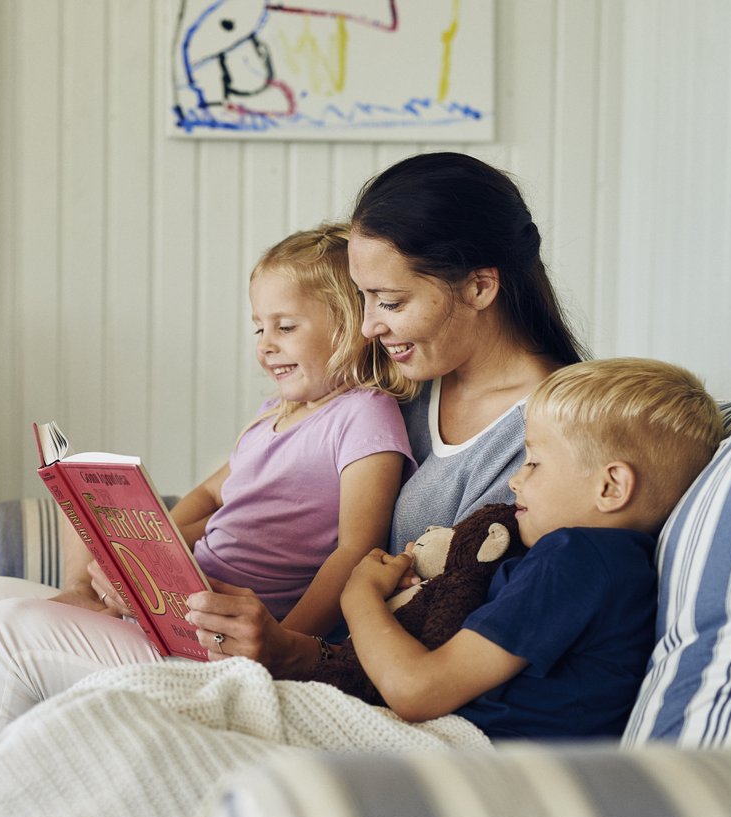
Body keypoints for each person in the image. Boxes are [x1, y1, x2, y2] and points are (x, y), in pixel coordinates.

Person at [0, 223, 415, 817]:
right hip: (173, 611)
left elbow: (354, 553)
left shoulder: (364, 416)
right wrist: (152, 547)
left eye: (286, 327)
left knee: (2, 630)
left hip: (216, 651)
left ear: (348, 325)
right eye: (259, 327)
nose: (266, 344)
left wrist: (282, 651)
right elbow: (208, 495)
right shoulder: (274, 416)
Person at [182, 150, 588, 661]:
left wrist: (292, 649)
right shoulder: (398, 382)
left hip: (352, 675)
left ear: (480, 286)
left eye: (391, 302)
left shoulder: (550, 432)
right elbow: (247, 490)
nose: (369, 325)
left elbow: (456, 619)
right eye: (362, 299)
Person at [339, 358, 725, 739]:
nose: (515, 482)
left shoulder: (576, 558)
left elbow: (418, 691)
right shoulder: (614, 565)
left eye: (534, 462)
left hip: (474, 748)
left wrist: (360, 597)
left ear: (611, 488)